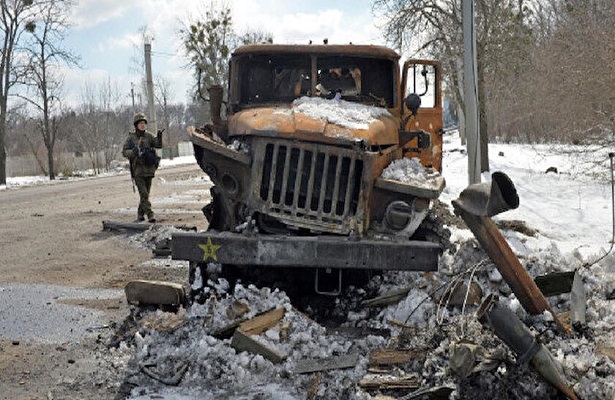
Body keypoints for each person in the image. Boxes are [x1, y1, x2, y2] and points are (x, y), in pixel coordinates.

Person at [122, 113, 163, 222]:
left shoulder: (149, 136)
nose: (142, 125)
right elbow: (124, 152)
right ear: (136, 125)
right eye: (140, 123)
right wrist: (133, 152)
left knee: (145, 195)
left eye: (144, 123)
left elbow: (158, 145)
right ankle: (150, 214)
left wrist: (159, 137)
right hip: (138, 170)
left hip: (149, 169)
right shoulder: (131, 138)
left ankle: (140, 214)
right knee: (144, 193)